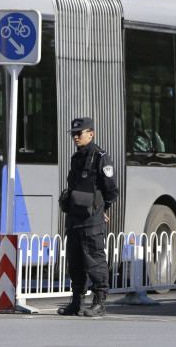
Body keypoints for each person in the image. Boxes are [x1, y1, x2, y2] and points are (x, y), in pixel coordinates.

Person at [57, 117, 119, 317]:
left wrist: (103, 209)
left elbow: (111, 189)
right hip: (74, 219)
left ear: (90, 134)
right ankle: (77, 302)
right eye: (73, 134)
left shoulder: (100, 156)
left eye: (79, 133)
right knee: (75, 262)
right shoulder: (77, 157)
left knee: (94, 259)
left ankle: (100, 302)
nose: (75, 137)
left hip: (91, 220)